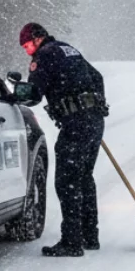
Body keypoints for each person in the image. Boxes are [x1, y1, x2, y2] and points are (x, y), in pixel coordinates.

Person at [18, 22, 107, 257]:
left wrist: (16, 94)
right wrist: (96, 105)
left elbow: (34, 94)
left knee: (67, 181)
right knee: (84, 177)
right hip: (94, 120)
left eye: (27, 45)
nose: (27, 50)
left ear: (37, 39)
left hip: (76, 122)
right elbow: (97, 77)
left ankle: (71, 241)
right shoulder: (68, 49)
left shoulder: (44, 56)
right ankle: (90, 236)